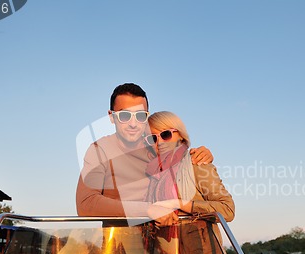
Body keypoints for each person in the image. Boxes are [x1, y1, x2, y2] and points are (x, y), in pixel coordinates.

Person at [76, 83, 212, 218]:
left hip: (165, 235)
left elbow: (180, 160)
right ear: (111, 116)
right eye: (124, 115)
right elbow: (86, 203)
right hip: (121, 237)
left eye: (140, 116)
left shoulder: (155, 145)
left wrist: (200, 154)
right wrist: (147, 210)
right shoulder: (100, 151)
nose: (133, 124)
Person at [143, 111, 234, 254]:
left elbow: (227, 210)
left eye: (165, 134)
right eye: (152, 138)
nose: (159, 142)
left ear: (180, 135)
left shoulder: (197, 164)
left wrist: (177, 204)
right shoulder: (150, 175)